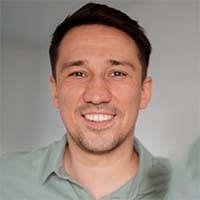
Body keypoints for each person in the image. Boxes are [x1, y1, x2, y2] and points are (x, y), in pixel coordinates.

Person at [0, 3, 171, 200]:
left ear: (144, 92)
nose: (96, 95)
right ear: (55, 90)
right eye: (78, 73)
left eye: (117, 73)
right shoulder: (4, 178)